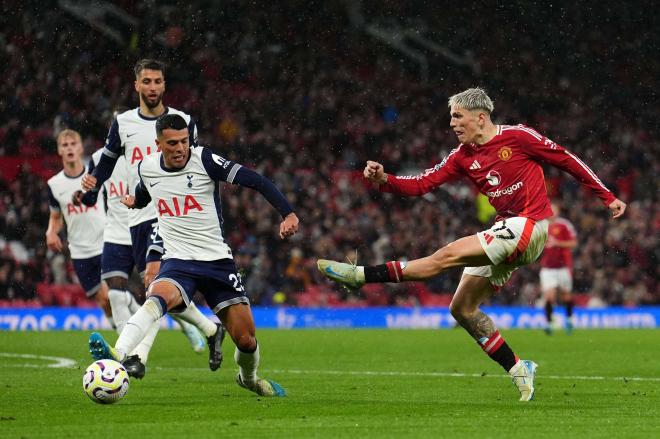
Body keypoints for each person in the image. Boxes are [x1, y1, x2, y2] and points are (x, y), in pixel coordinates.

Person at [318, 88, 626, 402]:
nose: (452, 123)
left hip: (529, 225)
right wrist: (385, 179)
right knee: (461, 309)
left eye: (457, 116)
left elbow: (566, 159)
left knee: (446, 256)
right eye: (451, 117)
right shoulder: (461, 156)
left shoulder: (518, 137)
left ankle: (360, 277)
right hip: (507, 231)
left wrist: (607, 196)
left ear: (480, 118)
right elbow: (423, 183)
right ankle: (519, 369)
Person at [88, 113, 299, 397]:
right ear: (158, 144)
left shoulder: (205, 160)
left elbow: (256, 180)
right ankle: (119, 353)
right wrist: (134, 201)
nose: (180, 148)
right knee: (156, 299)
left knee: (247, 340)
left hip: (217, 263)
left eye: (184, 141)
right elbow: (144, 192)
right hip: (178, 262)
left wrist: (287, 213)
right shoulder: (147, 167)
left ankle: (248, 379)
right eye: (172, 143)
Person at [78, 59, 225, 377]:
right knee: (131, 290)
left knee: (154, 287)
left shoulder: (183, 121)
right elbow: (106, 163)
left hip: (169, 216)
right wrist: (91, 191)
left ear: (164, 84)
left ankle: (133, 356)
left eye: (158, 81)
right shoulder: (123, 123)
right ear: (137, 85)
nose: (153, 87)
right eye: (146, 81)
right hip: (131, 219)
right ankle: (211, 331)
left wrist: (210, 217)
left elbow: (198, 170)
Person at [46, 129, 110, 320]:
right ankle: (124, 331)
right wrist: (51, 232)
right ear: (59, 151)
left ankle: (129, 343)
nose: (70, 148)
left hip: (104, 244)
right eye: (65, 145)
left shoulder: (97, 176)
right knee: (103, 301)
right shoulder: (54, 184)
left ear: (81, 148)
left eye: (73, 144)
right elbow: (56, 217)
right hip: (79, 251)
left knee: (111, 295)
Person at [539, 201, 577, 334]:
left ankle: (569, 319)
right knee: (549, 296)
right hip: (548, 268)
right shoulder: (541, 226)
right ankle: (549, 323)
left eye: (554, 209)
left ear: (558, 211)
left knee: (566, 296)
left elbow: (573, 243)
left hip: (563, 267)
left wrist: (557, 243)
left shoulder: (564, 225)